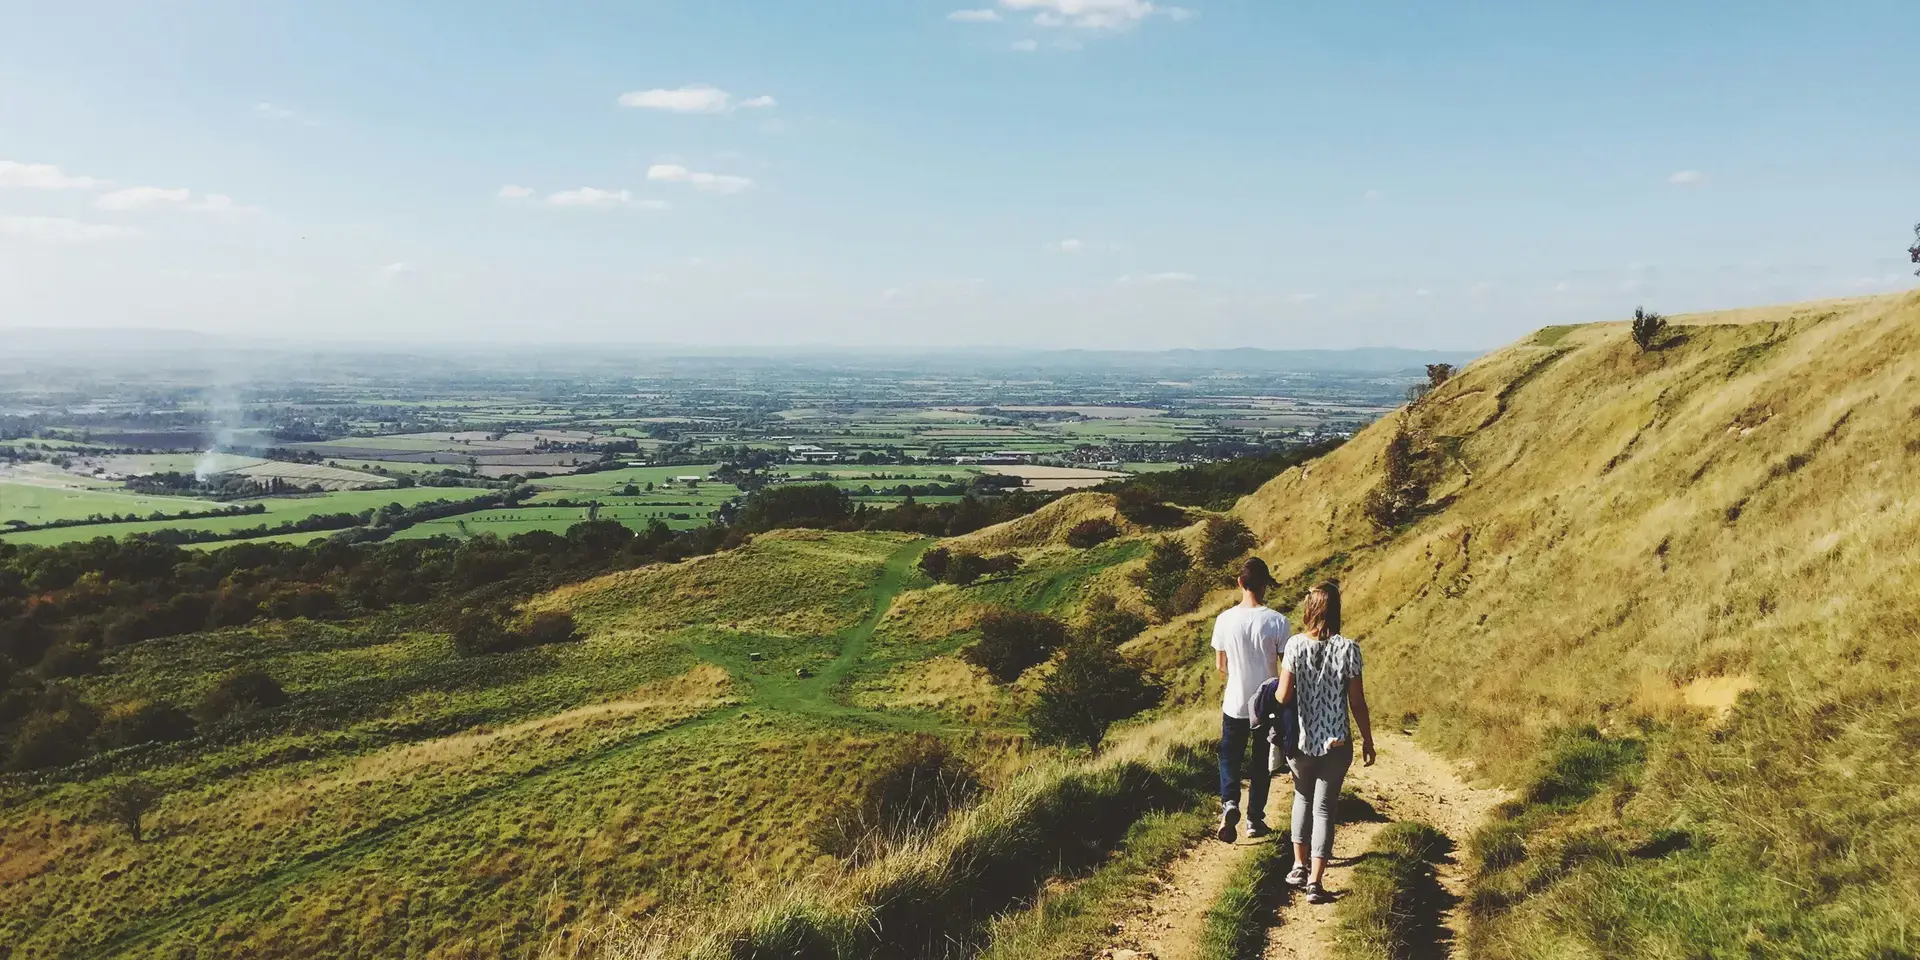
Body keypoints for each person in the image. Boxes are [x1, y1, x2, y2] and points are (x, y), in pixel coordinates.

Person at [1278, 580, 1374, 903]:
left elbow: (1283, 695)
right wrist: (1368, 740)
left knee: (1302, 798)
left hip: (1302, 741)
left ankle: (1297, 866)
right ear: (1336, 610)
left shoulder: (1294, 646)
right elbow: (1357, 702)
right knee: (1324, 809)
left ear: (1310, 608)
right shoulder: (1349, 649)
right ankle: (1315, 883)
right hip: (1336, 742)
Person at [1211, 556, 1290, 843]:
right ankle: (1255, 819)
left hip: (1235, 701)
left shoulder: (1224, 619)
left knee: (1230, 758)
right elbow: (1287, 667)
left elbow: (1221, 665)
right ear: (1265, 584)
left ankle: (1230, 803)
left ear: (1240, 583)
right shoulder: (1278, 621)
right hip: (1267, 704)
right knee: (1261, 763)